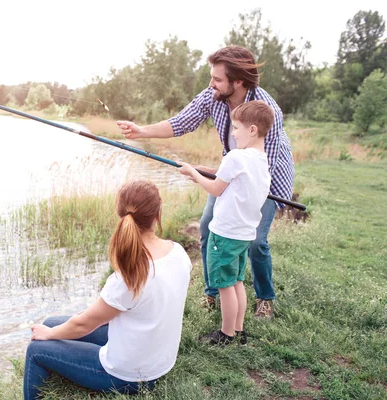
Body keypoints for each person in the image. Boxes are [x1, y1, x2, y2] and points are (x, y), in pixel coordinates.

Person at [117, 45, 295, 319]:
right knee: (207, 227)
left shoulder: (267, 110)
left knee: (256, 240)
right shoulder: (213, 96)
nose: (211, 83)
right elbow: (181, 123)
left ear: (238, 82)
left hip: (266, 179)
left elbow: (258, 169)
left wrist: (207, 173)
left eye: (217, 79)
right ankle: (213, 291)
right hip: (231, 168)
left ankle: (265, 299)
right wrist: (141, 131)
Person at [23, 180, 192, 400]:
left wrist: (49, 336)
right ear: (158, 214)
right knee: (50, 323)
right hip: (159, 360)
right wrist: (51, 331)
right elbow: (95, 317)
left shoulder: (131, 275)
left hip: (130, 376)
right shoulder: (178, 253)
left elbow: (85, 324)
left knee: (36, 350)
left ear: (121, 216)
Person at [178, 100, 272, 345]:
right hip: (244, 234)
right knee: (237, 281)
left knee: (224, 285)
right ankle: (238, 330)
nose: (233, 133)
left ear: (252, 130)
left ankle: (226, 334)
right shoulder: (263, 162)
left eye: (237, 128)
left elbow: (216, 189)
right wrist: (204, 171)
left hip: (225, 233)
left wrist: (193, 173)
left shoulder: (236, 157)